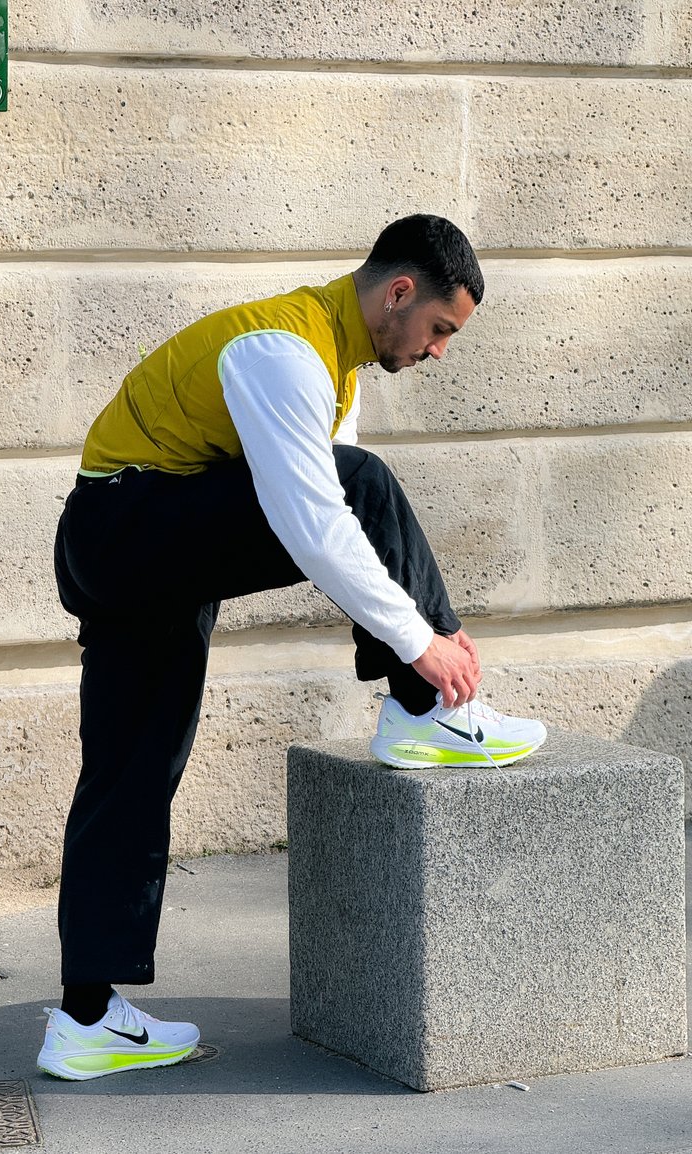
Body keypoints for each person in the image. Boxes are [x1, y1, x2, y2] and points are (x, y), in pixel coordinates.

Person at [37, 214, 546, 1082]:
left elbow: (353, 534)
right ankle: (423, 712)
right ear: (398, 293)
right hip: (127, 525)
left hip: (139, 542)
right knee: (362, 486)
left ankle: (85, 1019)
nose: (437, 352)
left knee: (131, 771)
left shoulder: (332, 368)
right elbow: (320, 525)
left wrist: (425, 621)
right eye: (439, 329)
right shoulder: (282, 352)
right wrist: (424, 648)